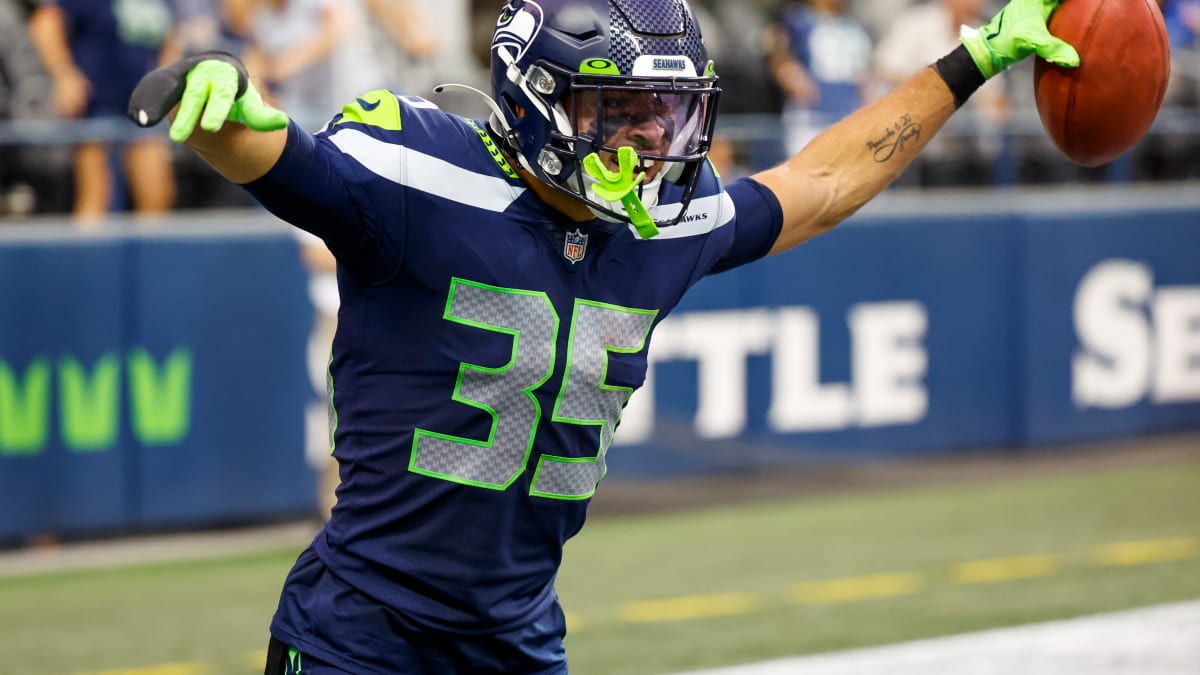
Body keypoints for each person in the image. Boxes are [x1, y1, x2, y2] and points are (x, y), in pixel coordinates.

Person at [125, 0, 1078, 671]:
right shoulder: (420, 178)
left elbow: (825, 183)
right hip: (362, 636)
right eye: (618, 112)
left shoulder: (667, 221)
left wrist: (976, 59)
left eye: (664, 112)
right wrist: (211, 97)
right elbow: (271, 151)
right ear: (540, 98)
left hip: (519, 637)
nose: (649, 142)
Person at [28, 0, 177, 221]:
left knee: (158, 194)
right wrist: (64, 75)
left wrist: (167, 81)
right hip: (97, 103)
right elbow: (45, 23)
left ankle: (149, 256)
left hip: (145, 105)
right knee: (99, 196)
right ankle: (89, 256)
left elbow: (170, 37)